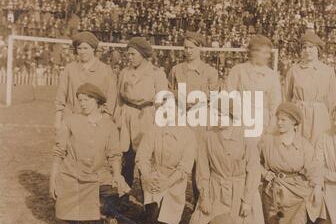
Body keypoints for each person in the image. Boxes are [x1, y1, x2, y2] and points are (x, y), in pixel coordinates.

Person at [49, 83, 131, 224]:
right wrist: (53, 181)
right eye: (80, 100)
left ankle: (110, 220)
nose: (83, 104)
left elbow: (114, 155)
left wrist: (117, 175)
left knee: (116, 188)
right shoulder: (70, 121)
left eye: (87, 100)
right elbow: (58, 153)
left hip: (97, 175)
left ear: (97, 101)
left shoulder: (109, 125)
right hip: (72, 176)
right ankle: (73, 213)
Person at [188, 99, 266, 224]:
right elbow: (202, 170)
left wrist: (247, 201)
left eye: (220, 115)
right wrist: (204, 197)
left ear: (232, 116)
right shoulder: (207, 137)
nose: (216, 119)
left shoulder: (247, 138)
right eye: (214, 115)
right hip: (216, 189)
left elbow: (254, 172)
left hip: (240, 191)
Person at [259, 102, 326, 224]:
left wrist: (317, 186)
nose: (279, 122)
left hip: (296, 185)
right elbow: (254, 162)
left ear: (294, 122)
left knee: (309, 194)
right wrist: (264, 173)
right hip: (274, 186)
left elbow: (314, 168)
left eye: (284, 120)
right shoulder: (267, 141)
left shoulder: (304, 144)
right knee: (273, 203)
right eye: (278, 119)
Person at [135, 101, 197, 224]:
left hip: (174, 180)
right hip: (155, 176)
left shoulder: (189, 135)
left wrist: (167, 182)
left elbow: (185, 167)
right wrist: (147, 176)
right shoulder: (154, 130)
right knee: (154, 215)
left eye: (171, 108)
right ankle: (154, 222)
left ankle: (164, 221)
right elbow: (142, 157)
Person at [168, 31, 219, 205]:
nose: (188, 51)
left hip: (200, 122)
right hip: (181, 120)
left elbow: (214, 98)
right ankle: (173, 207)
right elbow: (170, 92)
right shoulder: (176, 70)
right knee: (177, 162)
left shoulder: (210, 72)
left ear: (200, 48)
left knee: (200, 164)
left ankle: (199, 203)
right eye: (185, 47)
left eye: (192, 47)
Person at [114, 37, 169, 187]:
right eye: (128, 54)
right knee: (126, 159)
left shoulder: (157, 73)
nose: (129, 58)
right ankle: (123, 196)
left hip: (147, 116)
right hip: (127, 118)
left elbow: (163, 101)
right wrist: (117, 120)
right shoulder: (124, 72)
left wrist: (160, 125)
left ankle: (148, 203)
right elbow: (119, 98)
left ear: (143, 55)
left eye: (133, 54)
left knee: (146, 159)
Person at [54, 31, 117, 130]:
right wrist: (58, 121)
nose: (82, 52)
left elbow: (111, 98)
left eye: (85, 48)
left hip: (96, 122)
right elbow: (60, 96)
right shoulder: (69, 69)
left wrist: (104, 119)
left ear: (93, 48)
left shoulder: (105, 70)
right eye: (79, 48)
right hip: (72, 119)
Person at [284, 30, 336, 144]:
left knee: (318, 148)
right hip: (299, 115)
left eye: (311, 47)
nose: (307, 50)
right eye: (304, 47)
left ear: (317, 50)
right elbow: (286, 98)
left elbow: (332, 101)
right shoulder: (294, 70)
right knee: (298, 147)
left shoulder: (328, 71)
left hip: (320, 117)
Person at [225, 34, 282, 134]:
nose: (268, 56)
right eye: (265, 53)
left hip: (262, 124)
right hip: (240, 122)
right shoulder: (238, 71)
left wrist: (271, 127)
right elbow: (228, 97)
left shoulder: (272, 75)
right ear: (253, 52)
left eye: (269, 53)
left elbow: (275, 104)